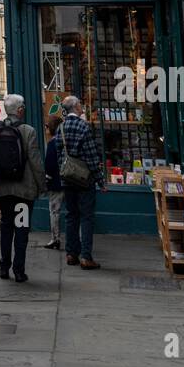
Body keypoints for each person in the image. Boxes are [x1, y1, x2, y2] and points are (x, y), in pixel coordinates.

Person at [0, 94, 46, 282]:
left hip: (4, 189)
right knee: (21, 228)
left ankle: (4, 267)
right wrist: (42, 185)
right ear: (20, 110)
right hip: (23, 191)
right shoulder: (28, 130)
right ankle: (19, 270)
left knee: (6, 227)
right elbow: (36, 161)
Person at [54, 95, 106, 269]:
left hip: (68, 178)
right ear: (76, 107)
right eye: (80, 104)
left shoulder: (60, 128)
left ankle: (71, 254)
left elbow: (58, 154)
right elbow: (91, 157)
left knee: (71, 215)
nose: (82, 106)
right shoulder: (84, 127)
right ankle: (85, 256)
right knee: (86, 217)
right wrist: (100, 180)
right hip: (85, 179)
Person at [44, 113, 64, 250]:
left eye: (46, 126)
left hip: (56, 183)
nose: (45, 128)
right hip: (69, 180)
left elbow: (49, 166)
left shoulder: (52, 143)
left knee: (54, 211)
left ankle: (55, 239)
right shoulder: (65, 141)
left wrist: (46, 179)